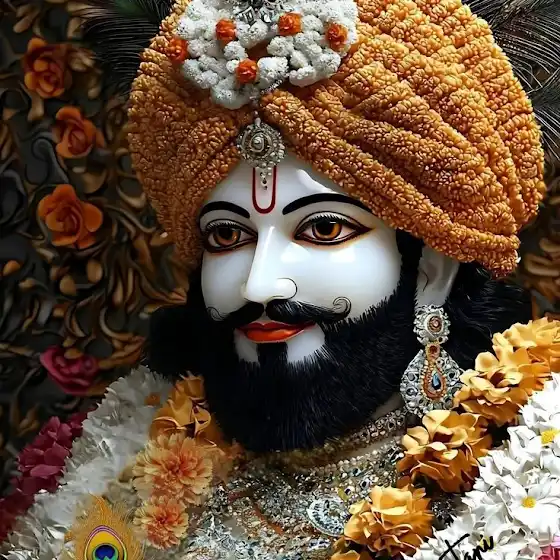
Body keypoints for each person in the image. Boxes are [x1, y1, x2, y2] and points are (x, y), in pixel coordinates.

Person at [3, 0, 560, 558]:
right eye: (227, 235)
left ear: (433, 269)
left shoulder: (521, 484)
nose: (260, 285)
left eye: (323, 228)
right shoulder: (132, 457)